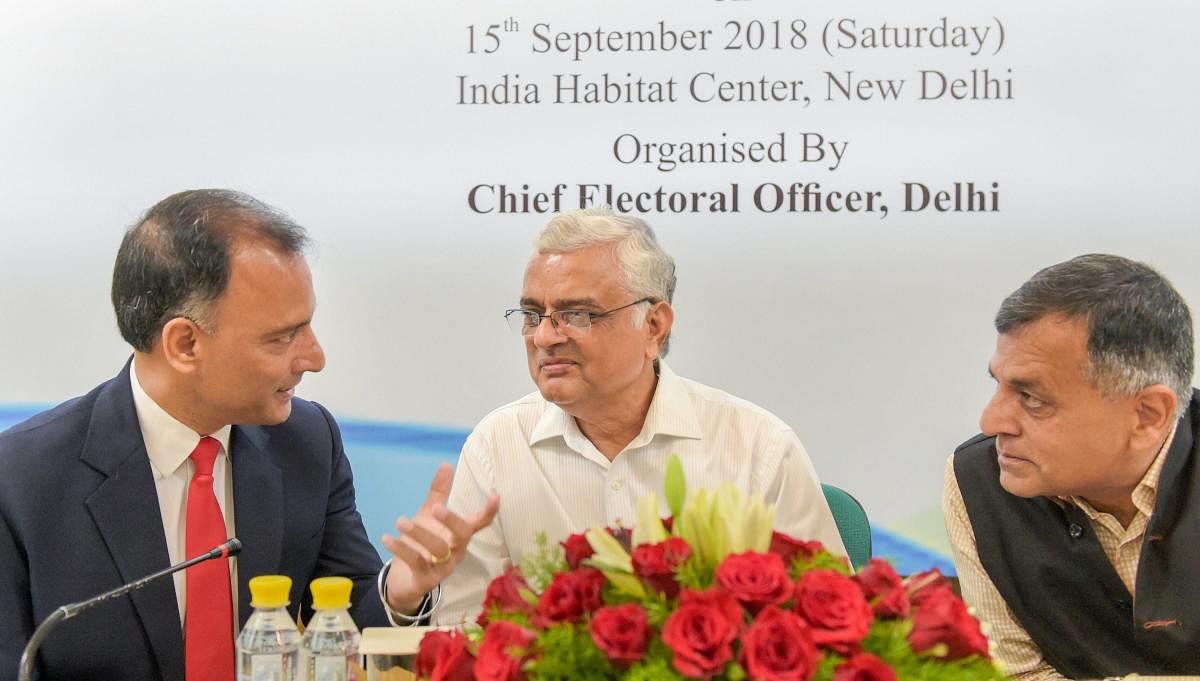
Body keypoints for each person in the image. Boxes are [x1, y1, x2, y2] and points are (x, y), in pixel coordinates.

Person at [0, 189, 495, 681]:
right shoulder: (21, 481)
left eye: (308, 327)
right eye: (281, 337)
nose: (315, 358)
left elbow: (346, 626)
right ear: (185, 343)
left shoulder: (306, 443)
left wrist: (401, 589)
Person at [422, 207, 848, 624]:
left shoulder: (759, 447)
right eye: (532, 315)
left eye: (577, 315)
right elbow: (463, 632)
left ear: (654, 326)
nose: (545, 337)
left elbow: (826, 629)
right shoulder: (497, 445)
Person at [944, 254, 1199, 679]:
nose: (991, 422)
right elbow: (1018, 675)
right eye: (1000, 384)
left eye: (1033, 399)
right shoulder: (978, 481)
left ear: (1148, 415)